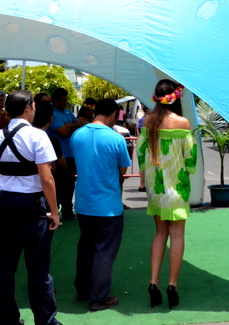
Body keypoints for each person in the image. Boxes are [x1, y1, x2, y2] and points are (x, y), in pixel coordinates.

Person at [0, 90, 60, 325]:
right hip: (32, 205)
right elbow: (47, 179)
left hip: (6, 202)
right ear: (29, 107)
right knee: (38, 267)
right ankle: (45, 320)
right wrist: (55, 212)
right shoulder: (38, 136)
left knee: (6, 267)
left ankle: (8, 320)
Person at [138, 80, 197, 310]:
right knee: (177, 235)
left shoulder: (148, 122)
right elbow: (190, 159)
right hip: (177, 186)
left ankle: (153, 282)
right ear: (175, 97)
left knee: (159, 233)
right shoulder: (182, 122)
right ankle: (172, 285)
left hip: (156, 188)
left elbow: (142, 156)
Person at [72, 98, 131, 311]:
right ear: (114, 114)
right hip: (108, 205)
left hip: (84, 203)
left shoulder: (77, 135)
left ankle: (82, 289)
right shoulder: (116, 139)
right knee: (104, 252)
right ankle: (99, 296)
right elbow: (123, 170)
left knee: (85, 247)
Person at [48, 88, 81, 221]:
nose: (65, 103)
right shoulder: (53, 114)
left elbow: (80, 124)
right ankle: (55, 211)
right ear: (54, 100)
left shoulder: (67, 112)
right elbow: (63, 132)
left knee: (69, 184)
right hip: (57, 156)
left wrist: (70, 125)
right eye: (62, 100)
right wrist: (72, 125)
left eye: (66, 100)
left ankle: (68, 211)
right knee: (58, 184)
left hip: (70, 155)